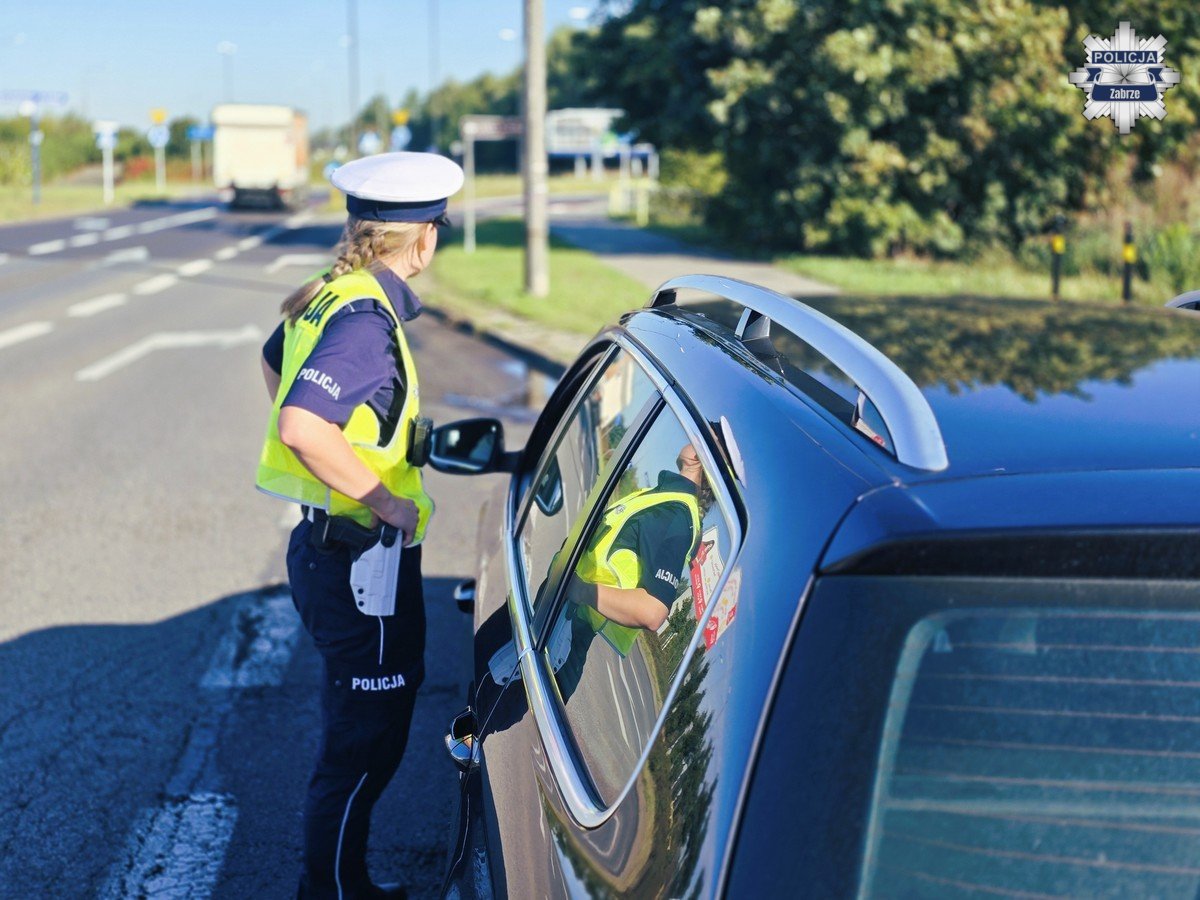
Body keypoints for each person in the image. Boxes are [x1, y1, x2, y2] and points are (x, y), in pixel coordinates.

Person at [256, 151, 463, 900]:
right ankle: (334, 893)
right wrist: (386, 501)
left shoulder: (330, 295)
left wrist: (338, 456)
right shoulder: (366, 321)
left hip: (326, 549)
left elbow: (274, 362)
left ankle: (336, 886)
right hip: (358, 561)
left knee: (359, 736)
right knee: (364, 747)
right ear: (424, 238)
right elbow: (306, 425)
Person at [554, 444, 710, 697]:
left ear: (698, 458)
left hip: (564, 630)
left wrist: (578, 589)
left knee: (476, 710)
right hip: (558, 615)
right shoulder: (664, 497)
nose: (690, 438)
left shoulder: (675, 514)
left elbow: (653, 610)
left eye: (702, 434)